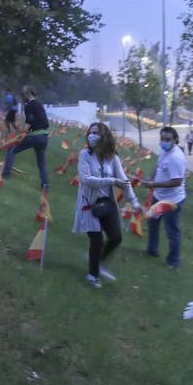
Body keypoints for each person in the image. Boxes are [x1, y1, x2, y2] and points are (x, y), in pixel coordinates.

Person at [73, 121, 138, 288]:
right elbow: (86, 180)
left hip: (107, 203)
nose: (91, 136)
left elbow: (123, 181)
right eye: (90, 132)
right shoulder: (84, 155)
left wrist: (135, 202)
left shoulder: (112, 157)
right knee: (96, 240)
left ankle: (98, 262)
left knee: (116, 238)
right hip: (88, 203)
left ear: (104, 137)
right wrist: (112, 180)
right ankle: (92, 275)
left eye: (95, 133)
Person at [145, 126, 188, 269]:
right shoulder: (164, 151)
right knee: (152, 222)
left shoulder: (176, 157)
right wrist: (150, 180)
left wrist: (154, 183)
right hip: (159, 197)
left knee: (172, 231)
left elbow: (177, 181)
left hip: (172, 201)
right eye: (162, 138)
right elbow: (157, 166)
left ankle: (173, 262)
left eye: (167, 139)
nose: (164, 141)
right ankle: (152, 250)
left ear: (175, 140)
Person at [1, 87, 50, 190]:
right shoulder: (39, 105)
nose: (22, 99)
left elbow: (29, 123)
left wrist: (21, 135)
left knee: (11, 149)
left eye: (23, 96)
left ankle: (5, 175)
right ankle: (45, 186)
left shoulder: (29, 106)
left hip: (35, 136)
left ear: (28, 94)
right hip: (44, 137)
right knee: (41, 162)